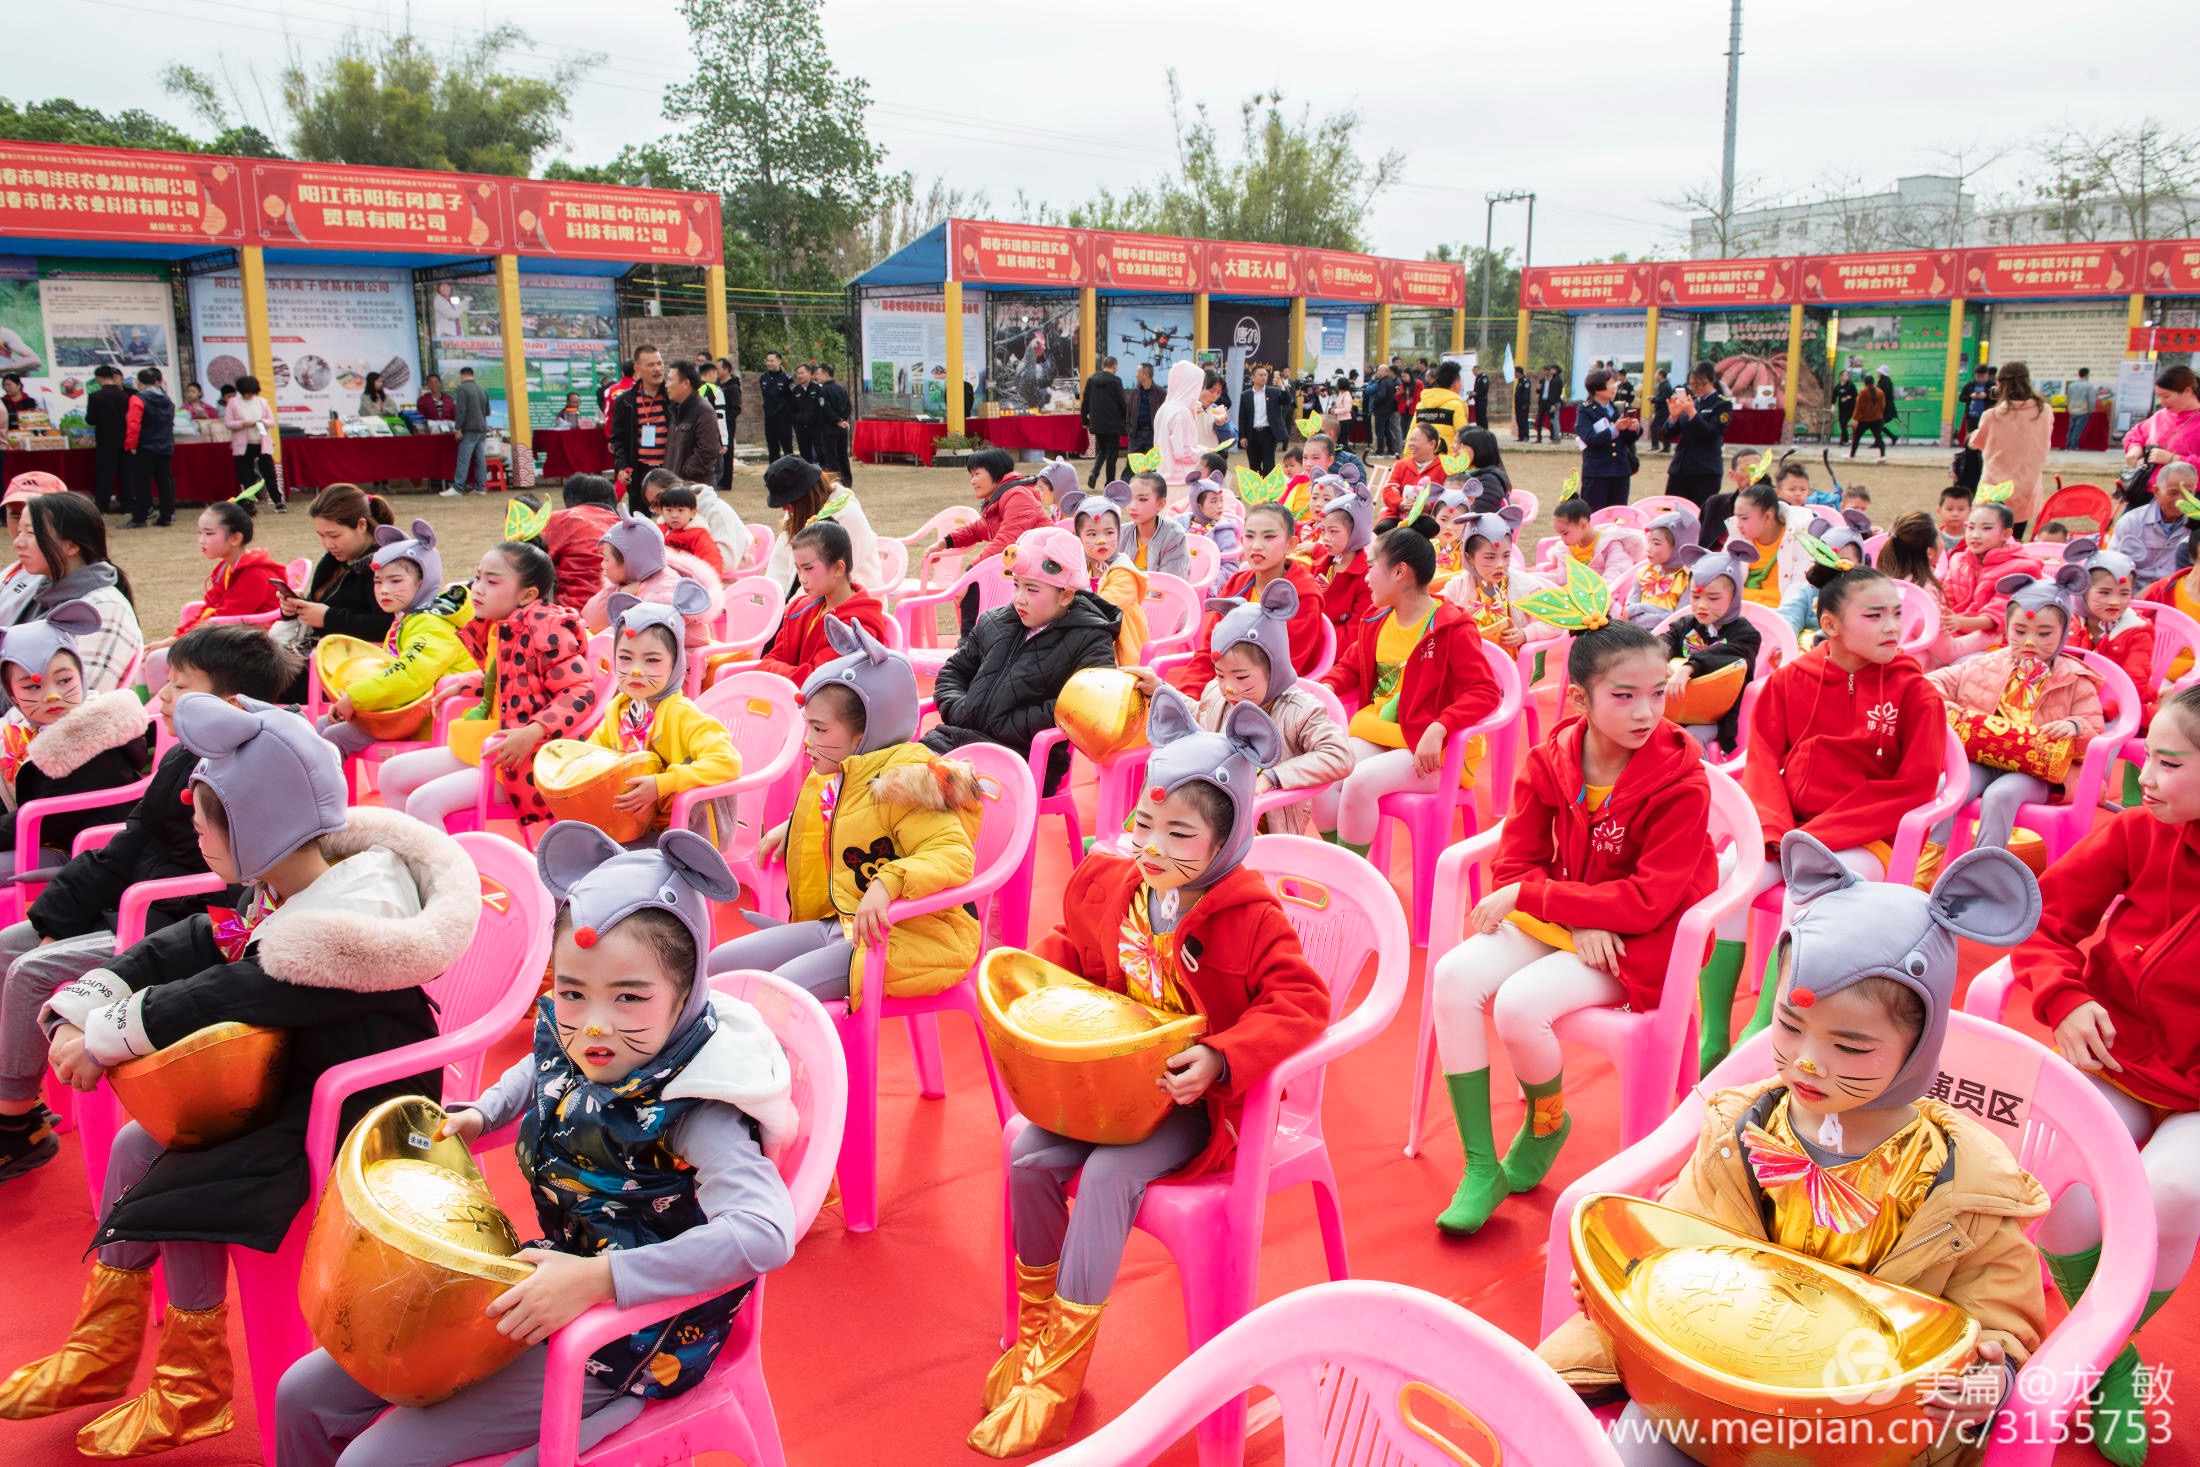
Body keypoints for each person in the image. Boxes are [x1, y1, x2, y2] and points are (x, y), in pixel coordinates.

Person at [5, 699, 478, 1456]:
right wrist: (92, 993)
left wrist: (106, 1032)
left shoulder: (344, 930)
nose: (194, 831)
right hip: (290, 1084)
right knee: (135, 1146)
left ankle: (192, 1384)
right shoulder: (285, 883)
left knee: (183, 1170)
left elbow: (231, 991)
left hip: (353, 1113)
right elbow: (199, 943)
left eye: (206, 820)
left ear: (259, 826)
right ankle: (102, 1346)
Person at [277, 822, 797, 1467]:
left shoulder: (699, 1106)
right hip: (551, 1278)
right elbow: (543, 1070)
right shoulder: (588, 1041)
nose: (594, 1027)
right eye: (573, 992)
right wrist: (483, 1112)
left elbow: (765, 1234)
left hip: (630, 1338)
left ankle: (608, 1411)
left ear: (685, 995)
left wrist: (598, 1280)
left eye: (630, 997)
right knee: (301, 1395)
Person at [1539, 835, 2049, 1463]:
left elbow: (2003, 1319)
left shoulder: (1962, 1182)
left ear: (1919, 1047)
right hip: (1709, 1391)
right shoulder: (1740, 1131)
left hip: (1856, 1427)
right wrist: (1623, 1293)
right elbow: (1681, 1239)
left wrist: (1989, 1380)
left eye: (1851, 1047)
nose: (1808, 1061)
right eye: (1789, 1024)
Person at [972, 688, 1327, 1457]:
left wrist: (1223, 1056)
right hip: (1110, 1086)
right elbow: (1074, 952)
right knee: (1027, 1155)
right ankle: (1036, 1335)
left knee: (1106, 1177)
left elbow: (1303, 1000)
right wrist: (1031, 985)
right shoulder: (1118, 885)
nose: (1153, 846)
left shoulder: (1252, 915)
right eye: (1144, 823)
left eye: (1180, 833)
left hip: (1193, 1105)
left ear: (1227, 839)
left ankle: (1056, 1381)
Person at [1428, 610, 1716, 1234]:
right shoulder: (1550, 760)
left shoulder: (1682, 781)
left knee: (1519, 1004)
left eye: (1657, 693)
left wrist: (1550, 899)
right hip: (1574, 920)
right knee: (1452, 976)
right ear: (1580, 698)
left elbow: (1649, 902)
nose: (1646, 712)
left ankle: (1546, 1123)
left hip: (1645, 942)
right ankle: (1480, 1165)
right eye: (1625, 696)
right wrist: (1572, 911)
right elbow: (1514, 864)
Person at [0, 625, 295, 1181]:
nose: (160, 695)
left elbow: (223, 891)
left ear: (229, 705)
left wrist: (97, 921)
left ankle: (15, 1126)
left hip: (173, 926)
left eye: (179, 686)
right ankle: (21, 1098)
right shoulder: (183, 756)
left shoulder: (247, 773)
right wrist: (59, 917)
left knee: (32, 969)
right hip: (133, 909)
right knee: (11, 945)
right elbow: (130, 842)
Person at [2015, 679, 2200, 1466]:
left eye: (2168, 763)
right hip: (2117, 1058)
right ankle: (2111, 1357)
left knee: (2172, 1190)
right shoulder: (2136, 830)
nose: (2143, 777)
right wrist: (2064, 997)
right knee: (2056, 1175)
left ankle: (2092, 1348)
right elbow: (2045, 920)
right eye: (2146, 755)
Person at [1700, 567, 1946, 1069]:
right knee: (1727, 874)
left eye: (1896, 614)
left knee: (1807, 889)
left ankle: (1764, 1025)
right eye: (1874, 615)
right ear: (1830, 625)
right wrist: (1774, 830)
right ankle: (1714, 1031)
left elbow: (1915, 786)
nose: (1892, 627)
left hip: (1864, 838)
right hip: (1790, 829)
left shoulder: (1915, 692)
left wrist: (1815, 838)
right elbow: (1763, 760)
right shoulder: (1789, 681)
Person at [710, 619, 983, 1005]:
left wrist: (888, 883)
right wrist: (792, 826)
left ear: (867, 732)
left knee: (773, 996)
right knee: (718, 965)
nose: (808, 743)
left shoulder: (908, 783)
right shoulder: (844, 773)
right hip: (844, 921)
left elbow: (953, 855)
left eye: (820, 730)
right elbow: (852, 815)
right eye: (808, 728)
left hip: (910, 935)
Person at [378, 540, 598, 830]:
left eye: (492, 582)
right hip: (496, 747)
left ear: (527, 595)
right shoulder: (502, 623)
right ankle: (412, 854)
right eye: (478, 577)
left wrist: (532, 732)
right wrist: (465, 685)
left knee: (424, 802)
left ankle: (443, 860)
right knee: (391, 774)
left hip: (529, 762)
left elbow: (579, 692)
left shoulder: (545, 629)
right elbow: (513, 675)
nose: (477, 589)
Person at [1314, 525, 1503, 857]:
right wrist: (1325, 688)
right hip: (1384, 735)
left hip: (1437, 753)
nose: (1366, 577)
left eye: (1372, 566)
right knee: (1324, 772)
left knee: (1360, 781)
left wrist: (1441, 725)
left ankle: (1356, 880)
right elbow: (1351, 667)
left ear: (1400, 572)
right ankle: (1345, 868)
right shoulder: (1376, 620)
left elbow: (1485, 691)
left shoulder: (1450, 627)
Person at [921, 525, 1120, 795]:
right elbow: (954, 671)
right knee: (890, 778)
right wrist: (961, 708)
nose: (1019, 599)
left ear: (1065, 595)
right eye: (1016, 585)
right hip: (955, 741)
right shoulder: (994, 622)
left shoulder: (1090, 637)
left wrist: (1005, 722)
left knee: (932, 793)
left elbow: (1085, 706)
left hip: (1024, 760)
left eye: (1032, 589)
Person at [1925, 570, 2104, 853]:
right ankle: (1922, 867)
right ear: (2007, 628)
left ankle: (1982, 872)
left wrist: (2075, 726)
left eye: (2044, 634)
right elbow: (1932, 682)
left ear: (2063, 633)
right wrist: (1941, 702)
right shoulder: (1986, 664)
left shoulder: (2074, 678)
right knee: (1949, 786)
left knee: (2001, 795)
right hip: (1983, 758)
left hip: (2038, 773)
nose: (2030, 641)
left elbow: (2096, 732)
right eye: (2020, 632)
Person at [1160, 581, 1353, 837]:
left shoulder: (1299, 711)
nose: (1228, 688)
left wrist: (1274, 776)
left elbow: (1339, 755)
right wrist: (1161, 691)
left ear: (1274, 669)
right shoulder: (1217, 694)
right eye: (1220, 674)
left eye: (1241, 677)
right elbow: (1199, 721)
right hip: (1210, 813)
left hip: (1263, 825)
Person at [0, 603, 150, 875]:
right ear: (12, 695)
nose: (52, 695)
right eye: (32, 686)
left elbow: (45, 820)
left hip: (93, 857)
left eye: (64, 680)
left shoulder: (92, 735)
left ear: (81, 675)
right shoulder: (25, 731)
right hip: (59, 843)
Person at [581, 587, 738, 841]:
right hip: (638, 823)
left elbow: (728, 762)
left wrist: (662, 784)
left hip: (688, 831)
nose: (636, 671)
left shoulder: (683, 715)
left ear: (676, 663)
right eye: (625, 658)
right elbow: (592, 754)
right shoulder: (618, 710)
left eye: (652, 660)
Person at [317, 521, 476, 757]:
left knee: (333, 736)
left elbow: (410, 674)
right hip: (408, 708)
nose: (384, 590)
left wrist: (356, 698)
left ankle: (323, 783)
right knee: (323, 724)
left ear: (423, 581)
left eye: (395, 581)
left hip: (429, 718)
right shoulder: (408, 616)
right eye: (378, 581)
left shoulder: (432, 623)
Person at [1166, 503, 1326, 695]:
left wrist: (1225, 694)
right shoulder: (1237, 584)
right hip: (1223, 685)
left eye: (1269, 537)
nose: (1256, 545)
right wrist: (1188, 695)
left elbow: (1288, 667)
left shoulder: (1302, 594)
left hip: (1272, 695)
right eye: (1250, 536)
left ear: (1290, 544)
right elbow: (1210, 651)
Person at [274, 485, 397, 700]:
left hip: (352, 669)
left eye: (334, 535)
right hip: (322, 656)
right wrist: (297, 608)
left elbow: (388, 626)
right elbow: (324, 603)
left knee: (254, 673)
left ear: (361, 525)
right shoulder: (334, 560)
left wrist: (328, 617)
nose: (328, 543)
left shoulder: (382, 567)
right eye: (321, 535)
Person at [12, 493, 140, 694]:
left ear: (71, 545)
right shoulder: (42, 593)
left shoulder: (103, 609)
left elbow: (80, 700)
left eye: (31, 533)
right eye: (19, 531)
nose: (18, 542)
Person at [752, 520, 891, 685]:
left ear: (838, 568)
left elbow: (818, 681)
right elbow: (766, 662)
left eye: (808, 569)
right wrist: (784, 671)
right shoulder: (799, 609)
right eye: (798, 569)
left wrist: (777, 670)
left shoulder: (857, 625)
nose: (801, 579)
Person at [1659, 541, 1761, 757]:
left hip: (1715, 717)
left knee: (1692, 738)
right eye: (1695, 597)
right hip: (1676, 708)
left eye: (1713, 598)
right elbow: (1664, 641)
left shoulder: (1746, 634)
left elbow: (1729, 656)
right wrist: (1657, 658)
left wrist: (1689, 668)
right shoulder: (1687, 624)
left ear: (1734, 597)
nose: (1702, 605)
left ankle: (1700, 777)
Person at [935, 448, 1048, 634]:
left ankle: (968, 643)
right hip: (1023, 568)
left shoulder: (1018, 495)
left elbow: (1007, 541)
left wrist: (970, 573)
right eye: (971, 475)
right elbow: (979, 528)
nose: (973, 481)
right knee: (976, 582)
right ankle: (971, 642)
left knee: (975, 582)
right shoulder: (1002, 496)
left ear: (995, 472)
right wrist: (947, 541)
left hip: (1043, 570)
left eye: (977, 474)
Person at [583, 511, 718, 655]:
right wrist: (621, 593)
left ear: (631, 561)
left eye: (606, 559)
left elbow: (632, 637)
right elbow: (593, 620)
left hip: (678, 662)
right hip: (644, 660)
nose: (603, 565)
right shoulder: (629, 580)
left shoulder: (663, 594)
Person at [2063, 537, 2154, 746]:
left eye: (2124, 593)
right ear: (2083, 590)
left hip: (2119, 707)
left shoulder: (2137, 631)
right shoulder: (2068, 621)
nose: (2115, 601)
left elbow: (2134, 682)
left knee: (2099, 741)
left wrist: (2101, 711)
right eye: (2104, 592)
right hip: (2072, 703)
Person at [155, 500, 283, 645]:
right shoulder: (226, 567)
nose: (201, 540)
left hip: (255, 645)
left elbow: (224, 618)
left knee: (160, 655)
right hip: (230, 636)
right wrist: (174, 638)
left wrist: (175, 642)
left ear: (235, 538)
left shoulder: (256, 575)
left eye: (209, 533)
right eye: (199, 533)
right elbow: (210, 606)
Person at [1058, 486, 1149, 665]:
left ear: (1118, 533)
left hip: (1122, 655)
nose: (1101, 540)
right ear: (1079, 538)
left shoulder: (1124, 573)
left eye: (1109, 533)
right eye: (1091, 534)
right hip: (1093, 644)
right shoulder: (1084, 570)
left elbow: (1103, 608)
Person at [1969, 361, 2054, 531]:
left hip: (1995, 489)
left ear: (1999, 384)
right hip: (2027, 488)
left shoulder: (1992, 415)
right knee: (2015, 537)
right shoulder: (2044, 411)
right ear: (2028, 381)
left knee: (1988, 537)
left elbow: (1976, 443)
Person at [1943, 499, 2029, 655]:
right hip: (1955, 633)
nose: (1975, 535)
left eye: (1986, 528)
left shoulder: (2021, 568)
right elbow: (1946, 600)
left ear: (2006, 534)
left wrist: (1960, 622)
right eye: (1970, 527)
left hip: (1998, 643)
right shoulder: (1958, 561)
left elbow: (1998, 616)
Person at [538, 473, 622, 613]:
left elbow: (531, 560)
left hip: (573, 612)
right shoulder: (625, 524)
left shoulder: (562, 519)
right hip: (622, 612)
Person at [1728, 482, 1812, 609]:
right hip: (1738, 611)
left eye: (1744, 518)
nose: (1738, 525)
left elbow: (1800, 589)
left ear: (1768, 516)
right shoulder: (1737, 536)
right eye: (1737, 518)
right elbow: (1723, 579)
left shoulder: (1800, 539)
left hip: (1781, 613)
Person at [1311, 477, 1376, 635]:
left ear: (1356, 532)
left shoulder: (1367, 577)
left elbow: (1356, 630)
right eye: (1324, 530)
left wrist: (1321, 642)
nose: (1326, 538)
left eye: (1333, 531)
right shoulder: (1319, 566)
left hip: (1337, 644)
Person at [2115, 459, 2195, 586]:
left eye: (2188, 493)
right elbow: (2113, 567)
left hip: (2175, 594)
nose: (2181, 500)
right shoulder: (2131, 522)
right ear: (2156, 491)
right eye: (2173, 493)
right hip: (2134, 593)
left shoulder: (2196, 526)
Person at [1663, 362, 1731, 509]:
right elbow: (1668, 434)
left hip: (1704, 471)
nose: (1696, 388)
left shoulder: (1721, 405)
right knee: (1672, 511)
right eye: (1692, 384)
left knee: (1700, 512)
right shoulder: (1691, 402)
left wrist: (1692, 413)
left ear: (1712, 380)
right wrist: (1673, 417)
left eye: (1701, 384)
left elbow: (1710, 433)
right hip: (1680, 469)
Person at [609, 346, 669, 510]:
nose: (657, 369)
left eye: (659, 363)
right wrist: (622, 467)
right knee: (641, 518)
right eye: (650, 365)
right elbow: (618, 439)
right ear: (637, 368)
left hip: (669, 469)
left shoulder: (672, 397)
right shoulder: (626, 400)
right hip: (640, 471)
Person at [1623, 508, 1701, 629]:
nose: (1648, 548)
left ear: (1679, 546)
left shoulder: (1688, 581)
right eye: (1648, 541)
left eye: (1656, 543)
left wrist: (1638, 611)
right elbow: (1627, 610)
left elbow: (1677, 620)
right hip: (1635, 633)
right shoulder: (1643, 573)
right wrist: (1660, 612)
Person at [1575, 368, 1640, 511]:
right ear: (1598, 388)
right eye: (1610, 383)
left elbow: (1628, 440)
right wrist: (1615, 429)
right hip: (1597, 472)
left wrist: (1633, 428)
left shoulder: (1619, 407)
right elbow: (1590, 439)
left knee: (1618, 515)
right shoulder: (1585, 410)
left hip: (1620, 471)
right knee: (1595, 513)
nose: (1614, 387)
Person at [123, 368, 176, 530]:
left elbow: (133, 424)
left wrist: (131, 445)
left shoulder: (138, 399)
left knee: (142, 483)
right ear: (159, 382)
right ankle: (166, 515)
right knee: (165, 481)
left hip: (145, 446)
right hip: (165, 445)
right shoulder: (167, 400)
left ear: (139, 383)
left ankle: (140, 517)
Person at [661, 362, 723, 491]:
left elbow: (707, 450)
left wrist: (685, 473)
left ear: (685, 383)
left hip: (695, 487)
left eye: (670, 380)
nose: (666, 385)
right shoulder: (676, 410)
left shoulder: (703, 410)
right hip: (676, 485)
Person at [1550, 496, 1645, 577]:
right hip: (1575, 591)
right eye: (1559, 534)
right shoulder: (1566, 549)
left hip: (1603, 591)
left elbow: (1616, 572)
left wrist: (1596, 591)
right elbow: (1563, 578)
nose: (1562, 539)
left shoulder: (1610, 544)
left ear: (1583, 525)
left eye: (1565, 533)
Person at [222, 372, 279, 510]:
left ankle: (277, 500)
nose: (249, 395)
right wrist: (242, 424)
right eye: (246, 393)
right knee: (246, 475)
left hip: (261, 439)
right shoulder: (233, 403)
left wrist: (262, 422)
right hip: (244, 443)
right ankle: (248, 503)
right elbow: (228, 422)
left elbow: (271, 421)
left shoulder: (262, 402)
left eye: (251, 392)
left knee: (269, 473)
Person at [85, 365, 133, 516]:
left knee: (105, 475)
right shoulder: (125, 396)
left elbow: (91, 419)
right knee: (126, 475)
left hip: (105, 441)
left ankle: (102, 507)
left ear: (99, 378)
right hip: (125, 440)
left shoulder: (95, 396)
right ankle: (127, 506)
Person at [1122, 470, 1189, 578]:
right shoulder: (1122, 533)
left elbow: (1169, 581)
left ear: (1160, 504)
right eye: (1129, 498)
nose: (1132, 506)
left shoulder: (1173, 536)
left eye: (1142, 499)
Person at [443, 366, 493, 498]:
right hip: (482, 429)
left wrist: (458, 428)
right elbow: (487, 412)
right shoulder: (482, 390)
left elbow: (461, 410)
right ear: (473, 375)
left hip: (469, 429)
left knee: (463, 459)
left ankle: (458, 487)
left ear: (462, 376)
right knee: (480, 460)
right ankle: (481, 487)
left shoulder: (462, 389)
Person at [653, 483, 723, 576]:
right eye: (669, 510)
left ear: (693, 513)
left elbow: (711, 560)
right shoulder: (657, 530)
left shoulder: (698, 535)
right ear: (662, 511)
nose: (674, 515)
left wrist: (709, 581)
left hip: (687, 578)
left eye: (680, 510)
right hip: (661, 575)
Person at [1079, 355, 1127, 487]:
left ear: (1102, 366)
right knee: (1112, 454)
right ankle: (1109, 482)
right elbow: (1122, 402)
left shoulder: (1091, 380)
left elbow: (1085, 401)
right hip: (1113, 424)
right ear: (1114, 367)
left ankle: (1094, 473)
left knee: (1102, 451)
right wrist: (1127, 419)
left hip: (1097, 423)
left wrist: (1084, 420)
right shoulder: (1116, 381)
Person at [1236, 363, 1288, 476]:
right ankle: (1257, 486)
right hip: (1252, 435)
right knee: (1254, 467)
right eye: (1261, 375)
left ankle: (1268, 486)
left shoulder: (1274, 392)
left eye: (1265, 375)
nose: (1264, 377)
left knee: (1269, 466)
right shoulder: (1245, 395)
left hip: (1268, 434)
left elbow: (1286, 401)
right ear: (1253, 377)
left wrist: (1282, 387)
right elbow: (1242, 417)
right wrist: (1242, 436)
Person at [1414, 361, 1470, 452]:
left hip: (1424, 458)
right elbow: (1464, 439)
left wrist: (1408, 458)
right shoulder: (1456, 406)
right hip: (1448, 459)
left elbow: (1411, 437)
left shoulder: (1421, 406)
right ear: (1456, 384)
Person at [812, 363, 853, 482]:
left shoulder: (823, 390)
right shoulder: (842, 389)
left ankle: (836, 481)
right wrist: (842, 420)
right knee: (843, 455)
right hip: (842, 428)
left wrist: (837, 420)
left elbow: (826, 409)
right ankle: (847, 481)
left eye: (818, 374)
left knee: (831, 456)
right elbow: (849, 407)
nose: (816, 377)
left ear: (825, 374)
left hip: (829, 428)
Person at [758, 350, 795, 463]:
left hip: (783, 418)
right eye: (767, 361)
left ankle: (790, 469)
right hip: (770, 418)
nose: (769, 363)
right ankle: (774, 470)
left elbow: (792, 399)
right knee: (772, 448)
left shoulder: (787, 379)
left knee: (787, 448)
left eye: (772, 361)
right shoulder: (764, 378)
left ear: (779, 361)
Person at [1848, 371, 1891, 460]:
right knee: (1878, 437)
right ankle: (1883, 456)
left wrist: (1855, 419)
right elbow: (1883, 405)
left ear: (1865, 382)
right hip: (1877, 419)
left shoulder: (1863, 392)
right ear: (1873, 382)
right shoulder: (1880, 392)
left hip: (1864, 420)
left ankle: (1852, 455)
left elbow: (1859, 407)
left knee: (1857, 438)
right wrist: (1879, 414)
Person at [1125, 362, 1162, 456]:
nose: (1136, 375)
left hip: (1153, 435)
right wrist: (1130, 430)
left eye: (1138, 372)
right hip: (1136, 435)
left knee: (1152, 463)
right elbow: (1129, 412)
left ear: (1146, 375)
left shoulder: (1160, 392)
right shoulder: (1135, 392)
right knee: (1131, 463)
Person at [789, 362, 820, 464]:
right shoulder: (796, 390)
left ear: (809, 373)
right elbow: (793, 409)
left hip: (816, 428)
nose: (800, 376)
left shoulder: (817, 388)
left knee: (819, 455)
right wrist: (797, 423)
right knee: (805, 456)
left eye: (802, 373)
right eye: (798, 373)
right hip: (801, 429)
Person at [1368, 363, 1400, 456]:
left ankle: (1380, 451)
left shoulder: (1383, 382)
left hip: (1380, 410)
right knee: (1387, 431)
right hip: (1387, 410)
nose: (1377, 372)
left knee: (1380, 431)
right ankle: (1391, 450)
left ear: (1385, 371)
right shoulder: (1389, 381)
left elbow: (1381, 396)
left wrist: (1375, 403)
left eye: (1379, 370)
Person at [1936, 482, 1974, 558]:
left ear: (1970, 511)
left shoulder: (1975, 538)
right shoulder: (1933, 537)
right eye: (1949, 509)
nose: (1955, 514)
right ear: (1939, 511)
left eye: (1961, 509)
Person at [2064, 366, 2098, 450]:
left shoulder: (2071, 385)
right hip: (2083, 410)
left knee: (2071, 428)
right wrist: (2091, 410)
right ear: (2087, 375)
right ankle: (2074, 446)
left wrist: (2069, 407)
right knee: (2078, 429)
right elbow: (2091, 400)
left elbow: (2068, 398)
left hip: (2072, 409)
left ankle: (2068, 445)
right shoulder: (2089, 386)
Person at [1536, 364, 1563, 445]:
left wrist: (1553, 404)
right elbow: (1538, 391)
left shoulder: (1556, 380)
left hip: (1551, 402)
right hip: (1543, 402)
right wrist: (1538, 388)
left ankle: (1555, 437)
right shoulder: (1543, 381)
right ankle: (1540, 438)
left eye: (1550, 369)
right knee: (1541, 420)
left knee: (1553, 420)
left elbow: (1555, 393)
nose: (1548, 371)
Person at [1833, 369, 1858, 444]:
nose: (1846, 377)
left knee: (1844, 422)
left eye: (1847, 375)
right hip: (1842, 407)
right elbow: (1834, 396)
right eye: (1844, 375)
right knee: (1841, 422)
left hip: (1850, 407)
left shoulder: (1850, 385)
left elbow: (1855, 394)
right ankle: (1844, 439)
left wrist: (1847, 397)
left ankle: (1846, 440)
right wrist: (1833, 405)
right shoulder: (1838, 387)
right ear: (1841, 376)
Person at [1511, 368, 1534, 444]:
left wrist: (1525, 404)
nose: (1514, 374)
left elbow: (1526, 394)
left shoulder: (1525, 381)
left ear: (1519, 372)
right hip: (1518, 405)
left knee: (1524, 420)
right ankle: (1521, 436)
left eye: (1515, 372)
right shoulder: (1519, 381)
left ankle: (1525, 436)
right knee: (1519, 421)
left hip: (1523, 405)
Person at [1470, 366, 1491, 431]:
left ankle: (1485, 429)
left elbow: (1484, 388)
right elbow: (1476, 388)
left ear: (1476, 370)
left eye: (1473, 372)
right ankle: (1480, 429)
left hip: (1482, 400)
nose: (1473, 373)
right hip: (1477, 400)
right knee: (1478, 416)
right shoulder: (1478, 378)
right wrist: (1471, 395)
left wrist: (1476, 393)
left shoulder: (1483, 377)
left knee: (1482, 416)